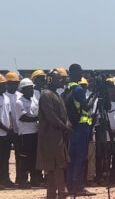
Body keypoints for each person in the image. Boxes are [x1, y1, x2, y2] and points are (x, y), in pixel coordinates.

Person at [36, 69, 71, 199]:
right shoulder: (46, 95)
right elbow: (51, 116)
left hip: (59, 135)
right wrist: (65, 126)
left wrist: (67, 124)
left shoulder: (56, 95)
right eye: (59, 78)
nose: (61, 80)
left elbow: (64, 114)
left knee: (54, 167)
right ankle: (62, 193)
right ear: (51, 80)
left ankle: (51, 195)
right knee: (56, 166)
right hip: (50, 137)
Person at [64, 64, 96, 196]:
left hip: (74, 126)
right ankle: (79, 187)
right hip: (82, 127)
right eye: (80, 72)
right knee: (80, 157)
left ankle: (71, 185)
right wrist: (95, 96)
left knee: (72, 157)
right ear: (75, 73)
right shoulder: (78, 89)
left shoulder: (69, 88)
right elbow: (86, 107)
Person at [15, 78, 42, 188]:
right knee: (25, 158)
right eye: (29, 89)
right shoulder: (19, 102)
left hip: (35, 132)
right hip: (25, 134)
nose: (31, 91)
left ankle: (34, 179)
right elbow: (24, 117)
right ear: (23, 90)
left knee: (34, 157)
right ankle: (22, 180)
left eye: (32, 88)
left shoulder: (34, 100)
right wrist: (39, 117)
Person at [5, 71, 21, 185]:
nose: (14, 85)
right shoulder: (4, 96)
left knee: (20, 156)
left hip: (19, 131)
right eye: (12, 83)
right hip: (7, 132)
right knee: (5, 157)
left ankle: (20, 178)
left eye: (16, 83)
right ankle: (6, 179)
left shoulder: (20, 95)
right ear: (7, 83)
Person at [0, 74, 13, 190]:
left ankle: (5, 179)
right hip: (1, 134)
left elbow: (9, 114)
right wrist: (7, 129)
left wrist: (11, 127)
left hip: (6, 134)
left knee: (5, 158)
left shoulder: (6, 98)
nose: (5, 86)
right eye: (3, 85)